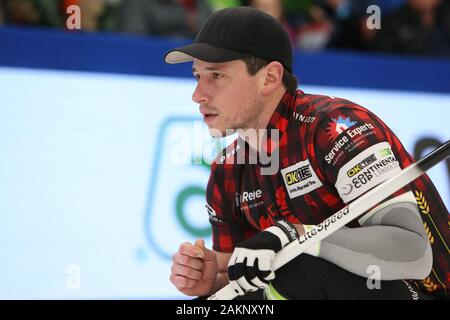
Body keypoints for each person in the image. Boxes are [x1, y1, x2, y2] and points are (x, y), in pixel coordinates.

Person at [164, 6, 449, 299]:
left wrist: (297, 235)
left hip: (424, 292)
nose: (198, 94)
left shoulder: (338, 129)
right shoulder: (227, 170)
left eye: (216, 76)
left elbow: (414, 254)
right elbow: (243, 279)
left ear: (269, 78)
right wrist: (211, 281)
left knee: (298, 271)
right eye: (197, 76)